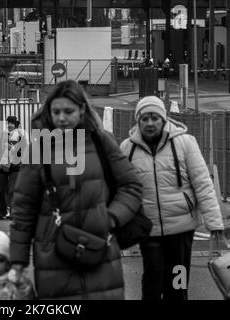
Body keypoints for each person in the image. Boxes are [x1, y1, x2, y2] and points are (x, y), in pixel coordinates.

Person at [9, 80, 143, 299]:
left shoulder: (101, 142)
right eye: (56, 111)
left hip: (100, 250)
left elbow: (132, 185)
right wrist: (18, 261)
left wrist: (110, 219)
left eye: (68, 111)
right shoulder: (39, 149)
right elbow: (23, 208)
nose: (61, 118)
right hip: (53, 255)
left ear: (82, 110)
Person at [119, 96, 224, 300]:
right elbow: (121, 189)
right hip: (148, 228)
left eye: (154, 118)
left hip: (181, 227)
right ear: (138, 121)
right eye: (145, 118)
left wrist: (214, 223)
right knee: (152, 275)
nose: (150, 123)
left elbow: (203, 184)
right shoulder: (127, 148)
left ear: (164, 119)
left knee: (178, 277)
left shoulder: (185, 143)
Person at [0, 115, 23, 220]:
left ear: (15, 125)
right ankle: (1, 212)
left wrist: (13, 148)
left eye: (12, 123)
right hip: (1, 167)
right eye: (8, 123)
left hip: (15, 166)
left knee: (12, 190)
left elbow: (23, 153)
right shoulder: (2, 137)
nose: (9, 125)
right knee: (0, 190)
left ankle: (12, 212)